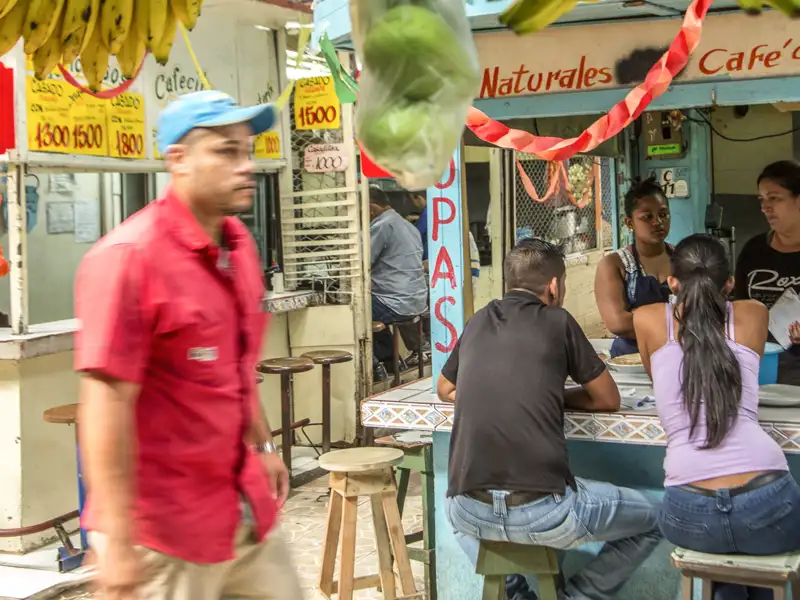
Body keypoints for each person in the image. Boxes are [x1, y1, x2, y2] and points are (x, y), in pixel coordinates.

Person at [74, 91, 303, 600]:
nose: (247, 166)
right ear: (177, 159)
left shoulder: (238, 248)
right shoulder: (130, 259)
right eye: (226, 151)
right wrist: (115, 539)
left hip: (240, 508)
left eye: (248, 151)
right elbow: (105, 402)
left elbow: (236, 369)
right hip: (163, 534)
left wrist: (263, 445)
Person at [439, 238, 662, 600]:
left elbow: (445, 388)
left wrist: (503, 391)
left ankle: (515, 594)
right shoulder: (558, 321)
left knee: (453, 514)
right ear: (554, 286)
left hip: (469, 511)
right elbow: (608, 399)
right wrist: (550, 395)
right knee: (660, 517)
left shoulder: (478, 320)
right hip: (543, 512)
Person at [634, 234, 800, 600]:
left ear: (671, 282)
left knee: (726, 554)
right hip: (769, 502)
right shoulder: (753, 313)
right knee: (757, 546)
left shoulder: (647, 319)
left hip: (688, 513)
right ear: (730, 283)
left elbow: (658, 377)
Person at [735, 160, 800, 385]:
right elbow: (740, 307)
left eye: (774, 198)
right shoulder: (754, 250)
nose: (765, 208)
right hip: (760, 367)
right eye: (762, 200)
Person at [594, 177, 673, 358]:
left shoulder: (683, 258)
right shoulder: (614, 265)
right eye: (647, 217)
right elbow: (618, 323)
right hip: (631, 361)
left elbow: (700, 313)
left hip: (677, 359)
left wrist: (639, 316)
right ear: (629, 223)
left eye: (663, 214)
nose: (658, 222)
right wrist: (676, 319)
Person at [370, 186, 428, 380]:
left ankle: (377, 365)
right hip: (417, 301)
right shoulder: (409, 226)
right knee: (373, 308)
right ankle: (391, 360)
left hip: (396, 303)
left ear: (371, 208)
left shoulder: (382, 226)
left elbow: (362, 262)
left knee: (355, 312)